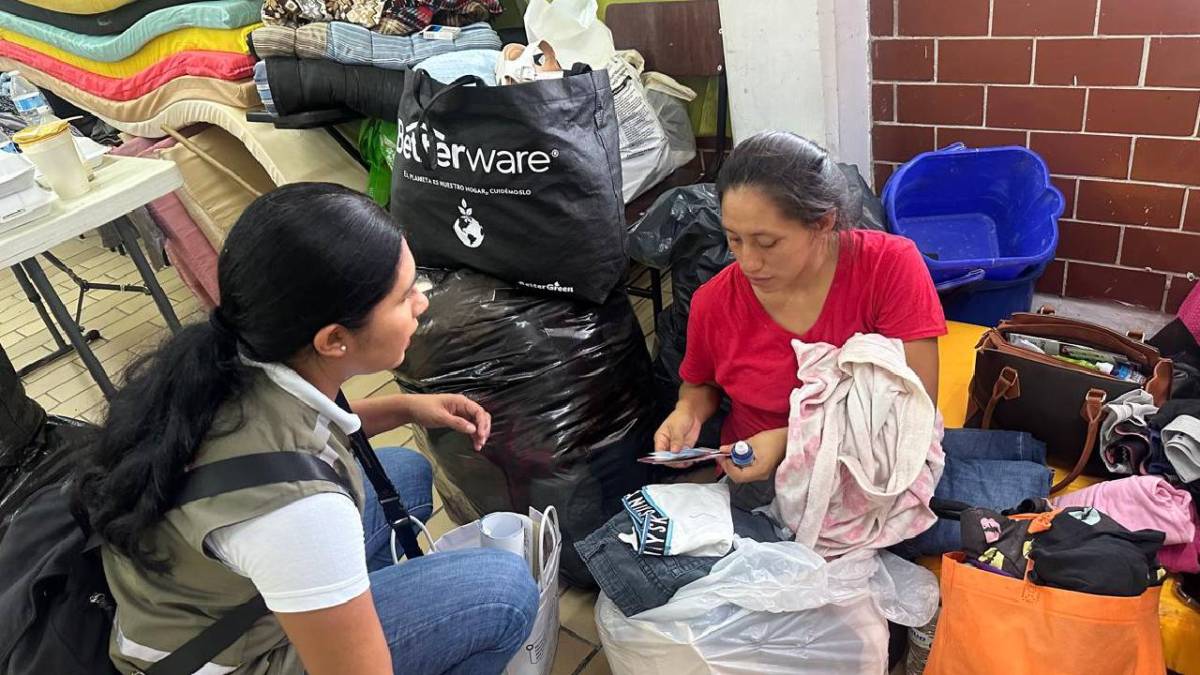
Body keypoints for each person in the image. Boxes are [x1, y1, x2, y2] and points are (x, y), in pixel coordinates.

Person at [74, 183, 538, 675]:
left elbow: (280, 441)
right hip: (227, 659)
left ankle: (341, 608)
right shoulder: (303, 513)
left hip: (198, 610)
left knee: (401, 470)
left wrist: (405, 407)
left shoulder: (242, 353)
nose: (422, 304)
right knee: (504, 591)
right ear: (335, 339)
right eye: (404, 297)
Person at [654, 131, 946, 491]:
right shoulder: (713, 302)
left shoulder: (889, 267)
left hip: (869, 468)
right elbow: (701, 384)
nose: (748, 262)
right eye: (734, 239)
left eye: (767, 243)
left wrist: (788, 442)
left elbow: (915, 409)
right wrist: (688, 413)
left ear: (823, 222)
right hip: (757, 476)